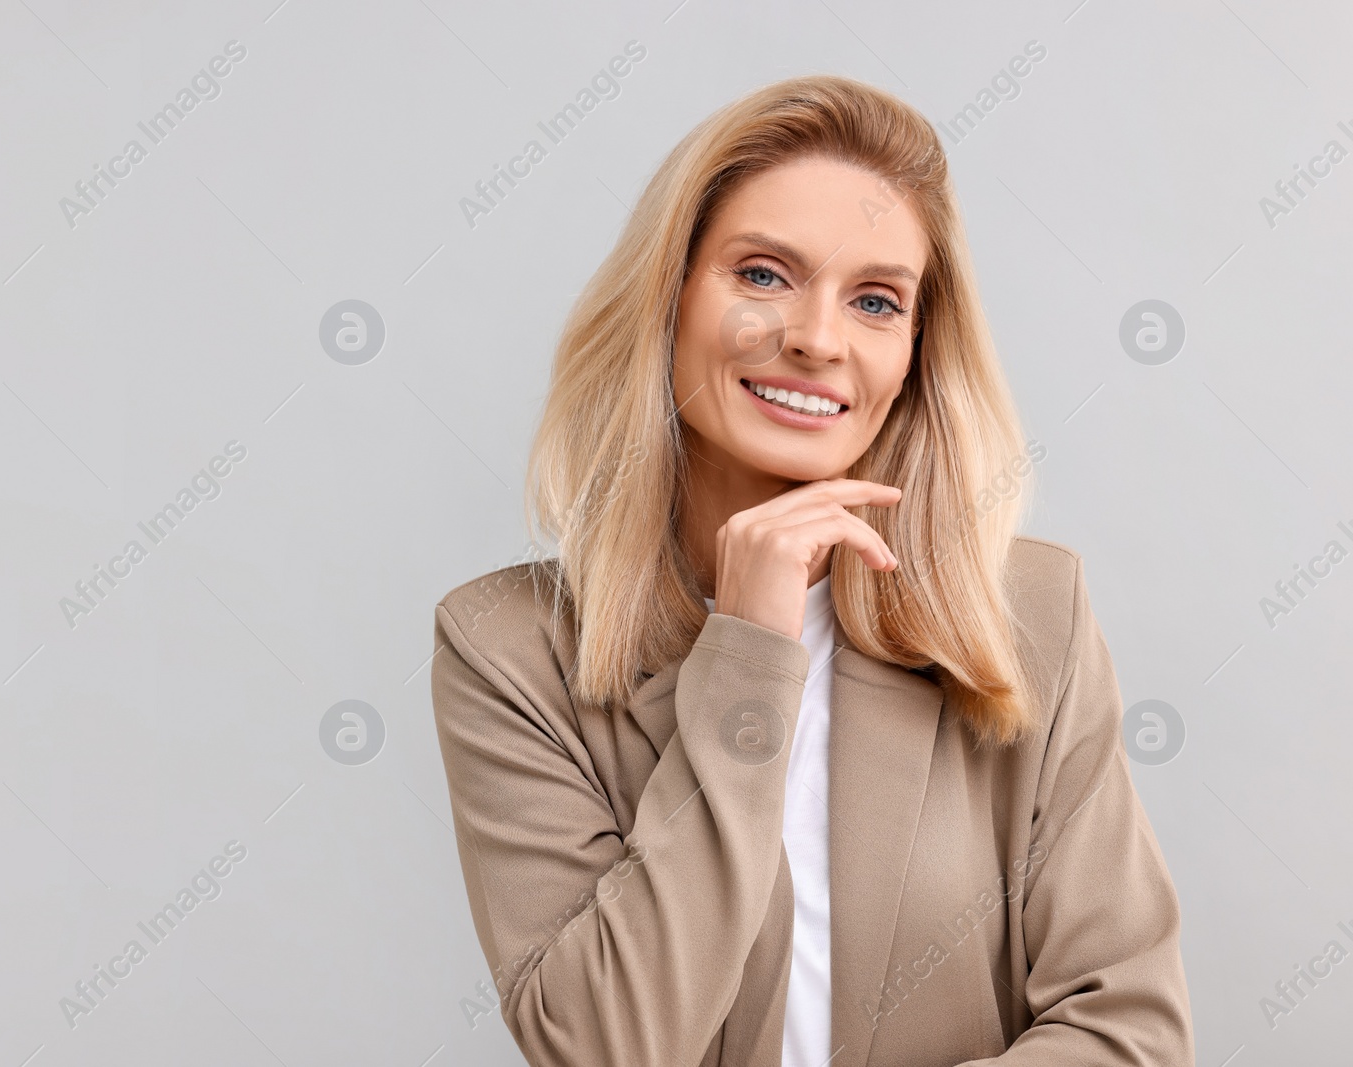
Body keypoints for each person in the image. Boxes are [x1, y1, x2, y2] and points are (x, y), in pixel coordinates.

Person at [429, 74, 1194, 1067]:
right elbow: (606, 1041)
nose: (816, 338)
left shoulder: (1033, 615)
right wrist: (747, 651)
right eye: (761, 274)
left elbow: (1128, 1027)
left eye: (875, 300)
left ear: (915, 351)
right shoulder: (506, 647)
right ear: (668, 298)